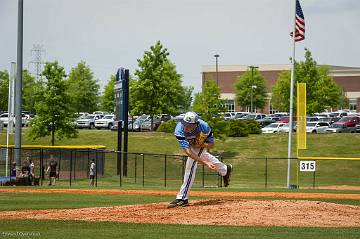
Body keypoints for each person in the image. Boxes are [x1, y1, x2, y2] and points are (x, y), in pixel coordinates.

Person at [168, 112, 233, 208]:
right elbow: (188, 151)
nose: (185, 127)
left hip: (200, 145)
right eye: (185, 124)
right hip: (190, 147)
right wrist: (205, 162)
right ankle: (225, 169)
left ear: (195, 124)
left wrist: (202, 145)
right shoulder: (179, 130)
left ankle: (182, 198)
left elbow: (211, 144)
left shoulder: (204, 127)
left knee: (190, 166)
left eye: (189, 125)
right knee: (203, 156)